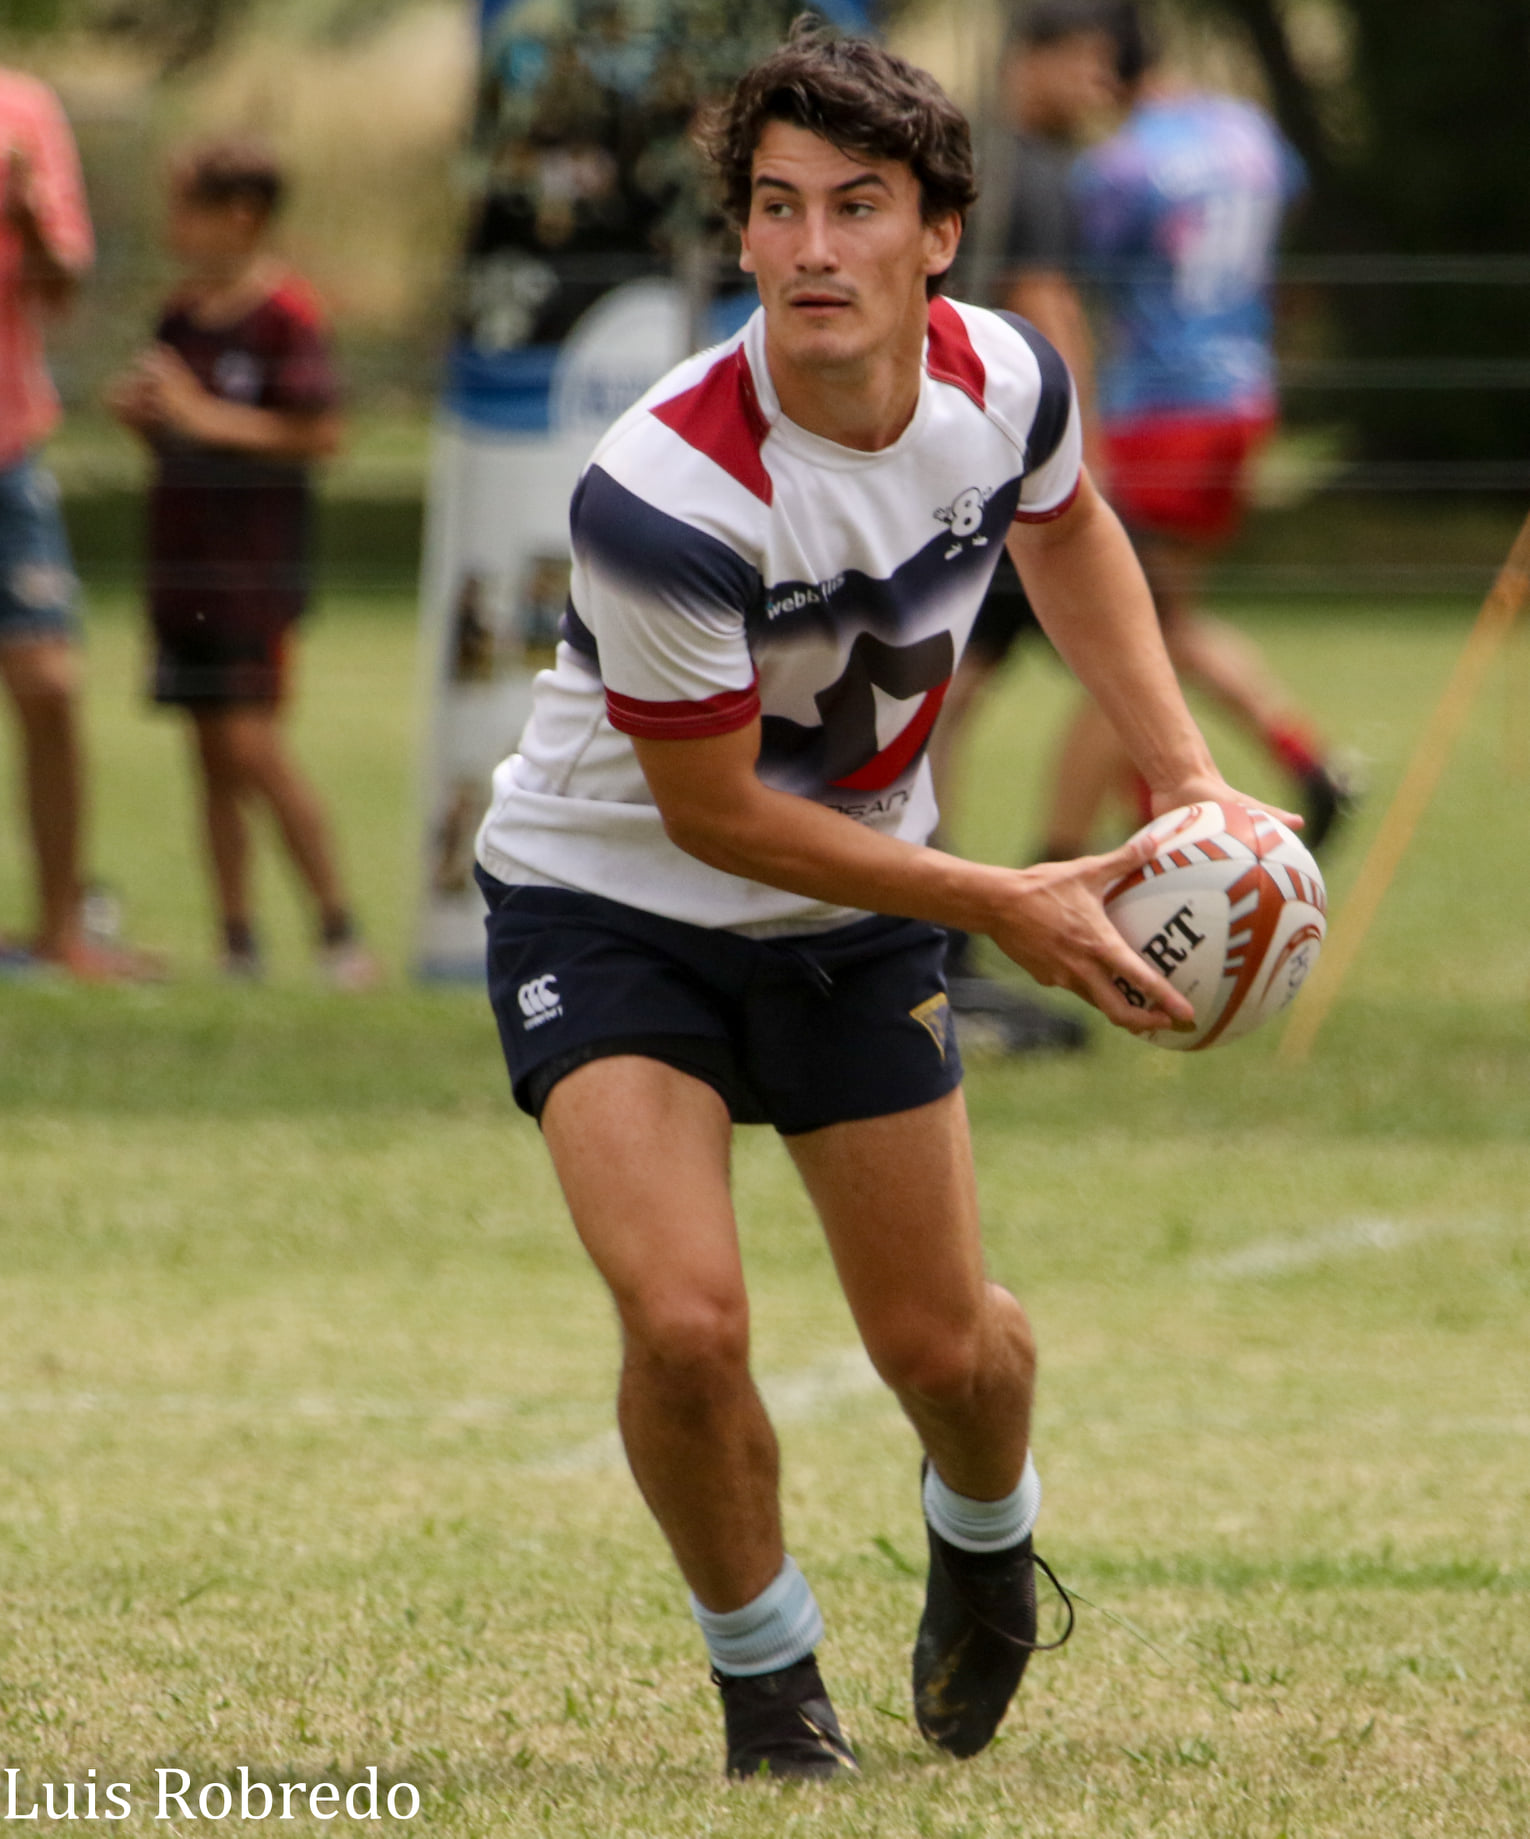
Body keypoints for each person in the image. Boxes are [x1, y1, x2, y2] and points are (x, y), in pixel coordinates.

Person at [475, 18, 1289, 1780]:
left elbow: (1067, 529)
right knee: (685, 1319)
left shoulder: (1005, 380)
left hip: (853, 915)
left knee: (953, 1348)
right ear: (743, 236)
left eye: (859, 205)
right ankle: (770, 1689)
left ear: (939, 231)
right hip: (612, 904)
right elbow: (717, 815)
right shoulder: (670, 490)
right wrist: (1001, 895)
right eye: (778, 209)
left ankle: (985, 1542)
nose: (815, 247)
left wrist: (1185, 772)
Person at [1036, 4, 1355, 858]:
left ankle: (1064, 849)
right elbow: (1281, 204)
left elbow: (1076, 282)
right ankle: (1234, 789)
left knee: (1134, 631)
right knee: (1164, 620)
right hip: (1241, 392)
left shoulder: (1119, 166)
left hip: (1159, 408)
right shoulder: (1248, 131)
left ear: (1105, 67)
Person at [106, 137, 376, 987]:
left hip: (253, 574)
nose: (174, 226)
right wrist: (149, 419)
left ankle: (339, 931)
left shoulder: (286, 316)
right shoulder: (178, 318)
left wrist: (200, 411)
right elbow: (183, 433)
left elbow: (321, 434)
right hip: (181, 567)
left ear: (241, 215)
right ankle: (237, 943)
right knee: (208, 756)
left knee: (253, 746)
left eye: (188, 206)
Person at [927, 0, 1124, 1050]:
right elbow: (1048, 312)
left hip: (973, 470)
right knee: (1128, 667)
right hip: (1016, 478)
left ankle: (949, 902)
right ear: (1034, 58)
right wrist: (1080, 459)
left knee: (950, 690)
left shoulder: (978, 160)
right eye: (1086, 63)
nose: (1101, 84)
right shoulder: (1028, 171)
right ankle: (1052, 873)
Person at [0, 65, 153, 979]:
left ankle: (59, 930)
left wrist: (22, 212)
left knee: (51, 683)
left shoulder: (25, 108)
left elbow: (63, 286)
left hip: (12, 451)